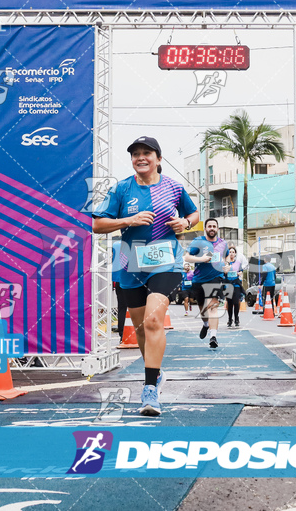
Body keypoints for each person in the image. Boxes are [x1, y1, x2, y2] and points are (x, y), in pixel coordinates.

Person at [93, 136, 199, 417]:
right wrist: (128, 220)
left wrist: (185, 222)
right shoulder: (121, 189)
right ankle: (157, 373)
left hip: (166, 262)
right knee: (140, 328)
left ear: (158, 159)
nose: (141, 158)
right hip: (130, 264)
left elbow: (194, 213)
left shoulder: (174, 187)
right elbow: (98, 224)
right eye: (135, 154)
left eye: (147, 153)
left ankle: (150, 387)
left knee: (154, 320)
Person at [185, 218, 228, 348]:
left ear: (217, 229)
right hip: (199, 279)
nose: (212, 228)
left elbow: (226, 259)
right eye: (209, 226)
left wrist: (227, 266)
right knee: (203, 310)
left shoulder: (223, 243)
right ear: (205, 228)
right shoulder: (198, 241)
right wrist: (201, 259)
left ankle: (213, 337)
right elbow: (186, 257)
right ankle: (205, 324)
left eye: (214, 226)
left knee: (212, 307)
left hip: (216, 277)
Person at [223, 245, 244, 328]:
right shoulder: (225, 263)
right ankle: (229, 319)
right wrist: (226, 271)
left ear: (235, 254)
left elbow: (241, 272)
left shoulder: (238, 263)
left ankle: (236, 318)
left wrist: (239, 273)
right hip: (228, 284)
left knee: (236, 302)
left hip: (236, 284)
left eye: (233, 252)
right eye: (230, 252)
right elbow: (223, 273)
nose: (231, 254)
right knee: (230, 303)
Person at [112, 241, 128, 338]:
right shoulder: (134, 241)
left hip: (118, 278)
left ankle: (122, 334)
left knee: (122, 307)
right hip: (132, 278)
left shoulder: (115, 245)